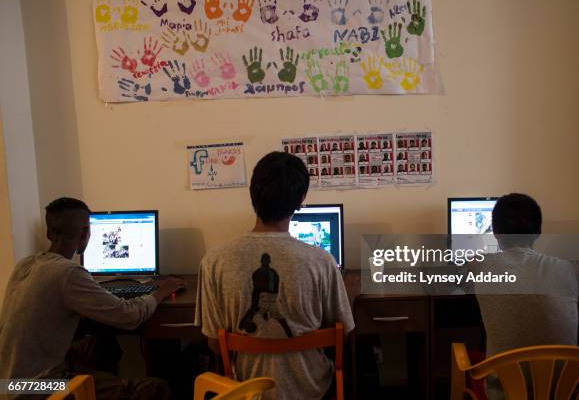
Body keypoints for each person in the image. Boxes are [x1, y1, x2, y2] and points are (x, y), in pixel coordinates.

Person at [195, 152, 354, 400]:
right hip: (312, 388)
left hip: (245, 390)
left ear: (252, 194)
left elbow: (215, 344)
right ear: (301, 200)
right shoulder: (322, 262)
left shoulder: (214, 262)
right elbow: (341, 334)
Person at [0, 197, 184, 399]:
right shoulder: (67, 273)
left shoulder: (24, 265)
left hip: (7, 385)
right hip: (37, 389)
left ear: (48, 233)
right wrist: (160, 291)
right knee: (156, 388)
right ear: (86, 234)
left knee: (102, 345)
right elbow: (130, 316)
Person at [476, 193, 579, 399]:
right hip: (564, 391)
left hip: (506, 393)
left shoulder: (479, 264)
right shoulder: (567, 269)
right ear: (539, 232)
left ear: (495, 232)